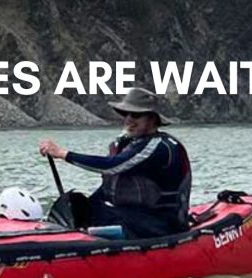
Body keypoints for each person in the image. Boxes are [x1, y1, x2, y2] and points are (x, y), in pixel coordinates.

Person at [38, 87, 191, 239]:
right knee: (79, 205)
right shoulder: (130, 144)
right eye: (125, 114)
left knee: (95, 216)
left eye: (136, 115)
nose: (129, 119)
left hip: (161, 224)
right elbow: (110, 186)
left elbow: (111, 166)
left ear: (152, 119)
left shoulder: (158, 147)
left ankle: (85, 239)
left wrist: (63, 154)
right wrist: (82, 209)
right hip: (134, 216)